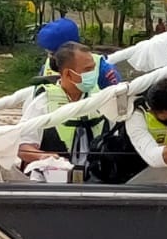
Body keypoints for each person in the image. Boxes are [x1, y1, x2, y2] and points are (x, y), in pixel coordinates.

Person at [16, 42, 110, 178]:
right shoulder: (43, 102)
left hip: (95, 181)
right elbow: (22, 147)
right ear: (68, 74)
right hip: (51, 182)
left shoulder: (103, 99)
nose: (93, 74)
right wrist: (45, 158)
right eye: (87, 70)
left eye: (94, 69)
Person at [36, 18, 120, 90]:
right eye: (49, 53)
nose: (50, 57)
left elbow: (118, 96)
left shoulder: (101, 68)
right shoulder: (47, 68)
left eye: (52, 53)